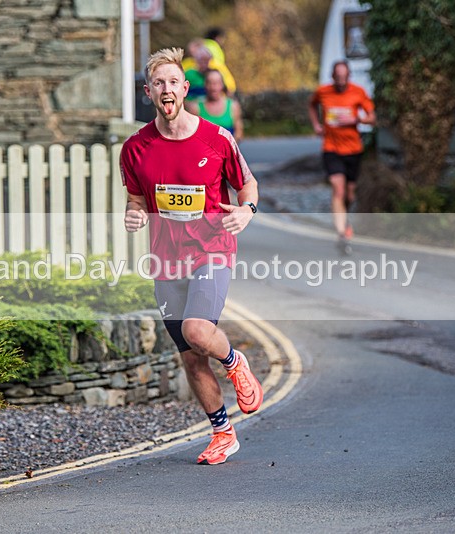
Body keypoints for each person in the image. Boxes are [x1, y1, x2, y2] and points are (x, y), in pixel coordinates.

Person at [121, 47, 262, 465]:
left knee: (199, 332)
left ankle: (237, 363)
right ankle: (223, 433)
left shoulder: (216, 139)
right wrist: (133, 216)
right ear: (149, 92)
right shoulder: (135, 148)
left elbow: (248, 186)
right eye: (158, 83)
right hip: (166, 261)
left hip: (212, 249)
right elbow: (135, 199)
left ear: (185, 88)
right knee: (190, 356)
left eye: (173, 82)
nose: (167, 89)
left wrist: (246, 211)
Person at [308, 60, 376, 254]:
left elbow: (372, 118)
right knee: (338, 189)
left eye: (344, 78)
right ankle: (341, 233)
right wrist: (316, 124)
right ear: (332, 77)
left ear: (348, 77)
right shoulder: (323, 92)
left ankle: (344, 219)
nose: (340, 81)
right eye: (337, 78)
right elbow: (312, 105)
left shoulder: (358, 92)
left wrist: (357, 119)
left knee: (349, 194)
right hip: (331, 148)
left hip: (353, 149)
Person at [185, 69, 244, 141]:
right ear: (205, 85)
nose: (213, 87)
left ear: (222, 85)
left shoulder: (233, 106)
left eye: (217, 83)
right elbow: (189, 135)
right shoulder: (195, 108)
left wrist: (227, 148)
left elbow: (238, 133)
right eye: (210, 83)